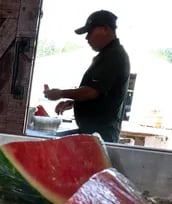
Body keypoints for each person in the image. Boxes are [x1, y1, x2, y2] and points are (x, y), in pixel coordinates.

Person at [43, 10, 130, 143]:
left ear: (105, 29)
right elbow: (102, 94)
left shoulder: (114, 56)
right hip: (93, 133)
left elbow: (91, 92)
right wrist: (74, 102)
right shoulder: (107, 55)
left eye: (90, 32)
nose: (87, 38)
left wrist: (60, 93)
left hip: (100, 136)